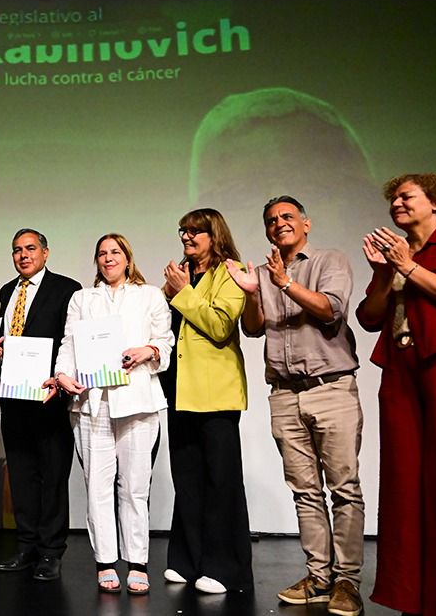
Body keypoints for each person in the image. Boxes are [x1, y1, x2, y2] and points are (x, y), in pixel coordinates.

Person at [356, 173, 436, 616]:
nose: (396, 203)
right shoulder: (398, 255)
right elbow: (370, 318)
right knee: (403, 486)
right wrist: (383, 273)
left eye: (406, 196)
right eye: (392, 198)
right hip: (402, 373)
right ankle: (412, 595)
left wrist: (409, 267)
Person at [227, 197, 364, 615]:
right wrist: (253, 293)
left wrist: (285, 282)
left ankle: (348, 581)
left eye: (287, 217)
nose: (279, 224)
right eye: (271, 220)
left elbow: (331, 310)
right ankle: (319, 576)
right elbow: (252, 329)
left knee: (344, 488)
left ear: (306, 222)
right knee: (305, 491)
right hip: (284, 392)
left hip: (330, 387)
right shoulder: (264, 272)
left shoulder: (329, 260)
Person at [54, 234, 173, 595]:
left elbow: (165, 341)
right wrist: (62, 375)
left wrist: (147, 350)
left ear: (127, 257)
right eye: (102, 254)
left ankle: (137, 561)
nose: (108, 259)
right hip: (92, 404)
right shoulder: (82, 298)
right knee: (97, 488)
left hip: (137, 401)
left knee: (135, 488)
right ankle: (105, 561)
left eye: (115, 252)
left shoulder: (150, 294)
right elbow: (70, 343)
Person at [159, 208, 253, 594]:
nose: (187, 237)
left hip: (215, 393)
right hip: (179, 390)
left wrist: (183, 293)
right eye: (183, 230)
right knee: (187, 479)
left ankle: (223, 567)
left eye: (196, 231)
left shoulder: (229, 272)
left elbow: (219, 326)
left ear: (215, 235)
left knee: (220, 481)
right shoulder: (183, 274)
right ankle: (187, 559)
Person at [0, 228, 81, 581]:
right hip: (13, 395)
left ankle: (50, 551)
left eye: (30, 248)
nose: (23, 255)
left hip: (50, 398)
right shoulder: (5, 292)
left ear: (46, 252)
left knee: (53, 476)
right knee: (22, 475)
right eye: (17, 250)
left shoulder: (67, 289)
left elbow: (71, 341)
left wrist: (61, 382)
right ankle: (26, 545)